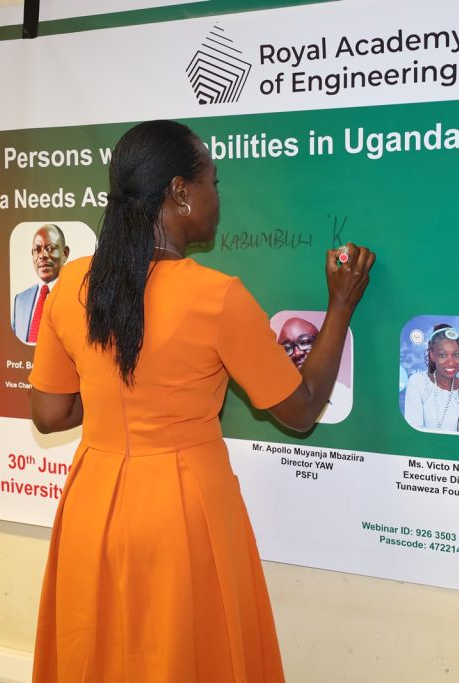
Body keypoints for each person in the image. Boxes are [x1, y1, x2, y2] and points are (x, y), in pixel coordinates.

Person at [29, 120, 374, 682]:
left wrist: (118, 391)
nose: (218, 195)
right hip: (182, 514)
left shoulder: (71, 285)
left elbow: (52, 414)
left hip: (92, 507)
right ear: (179, 191)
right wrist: (339, 308)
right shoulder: (216, 298)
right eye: (213, 180)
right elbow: (302, 408)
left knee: (99, 657)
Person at [403, 323, 459, 433]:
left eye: (456, 355)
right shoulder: (417, 383)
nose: (451, 362)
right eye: (442, 355)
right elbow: (414, 433)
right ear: (432, 355)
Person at [276, 316, 352, 423]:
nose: (297, 353)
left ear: (321, 344)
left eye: (305, 342)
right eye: (287, 348)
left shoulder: (344, 396)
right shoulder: (279, 400)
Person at [13, 224, 70, 343]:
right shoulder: (20, 301)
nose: (42, 255)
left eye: (50, 249)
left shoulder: (76, 296)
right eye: (37, 250)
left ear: (65, 253)